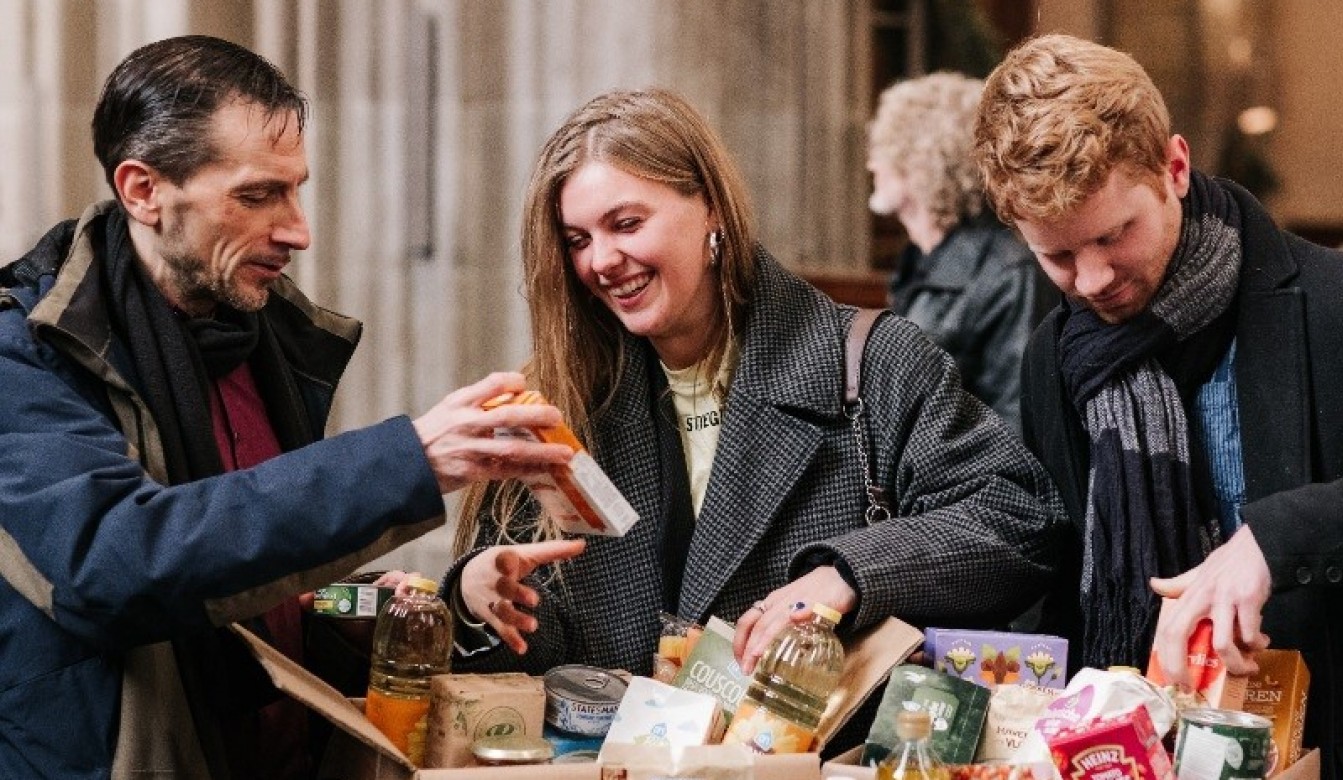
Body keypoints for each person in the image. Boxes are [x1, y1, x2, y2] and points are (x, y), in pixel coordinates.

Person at [0, 36, 581, 779]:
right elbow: (116, 565)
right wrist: (410, 459)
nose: (298, 230)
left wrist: (431, 604)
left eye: (296, 188)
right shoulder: (29, 355)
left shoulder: (263, 342)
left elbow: (270, 592)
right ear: (143, 190)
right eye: (257, 195)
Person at [441, 89, 1066, 730]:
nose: (601, 260)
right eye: (577, 239)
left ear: (711, 206)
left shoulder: (873, 364)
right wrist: (475, 599)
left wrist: (847, 575)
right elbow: (541, 661)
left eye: (626, 224)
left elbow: (1020, 518)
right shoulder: (560, 405)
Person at [974, 33, 1343, 777]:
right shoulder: (1053, 358)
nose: (1091, 281)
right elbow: (1060, 596)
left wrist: (1272, 542)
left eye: (1113, 236)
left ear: (1175, 167)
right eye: (1056, 256)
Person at [868, 72, 1057, 428]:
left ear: (922, 159)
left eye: (883, 149)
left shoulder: (1008, 272)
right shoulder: (922, 261)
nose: (872, 164)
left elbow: (1017, 421)